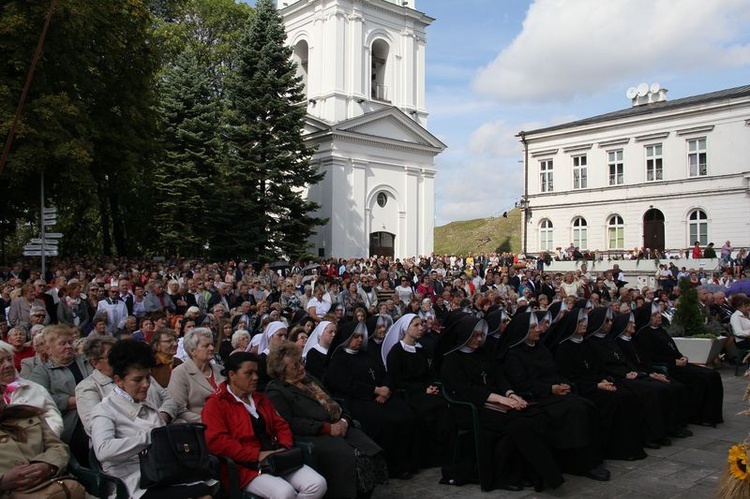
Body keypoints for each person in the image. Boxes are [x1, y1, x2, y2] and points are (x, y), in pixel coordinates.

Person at [436, 314, 565, 491]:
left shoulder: (483, 352)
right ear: (463, 335)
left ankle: (531, 474)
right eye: (474, 335)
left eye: (481, 335)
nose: (480, 339)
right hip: (469, 408)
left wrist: (511, 394)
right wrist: (500, 399)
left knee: (536, 417)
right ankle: (511, 477)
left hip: (495, 402)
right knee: (519, 423)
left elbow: (499, 376)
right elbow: (467, 390)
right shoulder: (451, 360)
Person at [90, 340, 217, 499]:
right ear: (118, 381)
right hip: (131, 480)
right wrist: (150, 437)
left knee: (204, 489)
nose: (145, 385)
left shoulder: (148, 404)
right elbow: (103, 451)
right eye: (137, 380)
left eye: (148, 378)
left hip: (162, 472)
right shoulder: (105, 410)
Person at [266, 343, 387, 498]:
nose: (301, 368)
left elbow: (334, 401)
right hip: (314, 434)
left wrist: (344, 420)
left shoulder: (309, 379)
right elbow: (290, 422)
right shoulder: (276, 391)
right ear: (281, 372)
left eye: (301, 362)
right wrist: (327, 428)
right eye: (295, 366)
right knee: (350, 458)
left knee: (371, 451)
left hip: (339, 426)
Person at [203, 352, 327, 499]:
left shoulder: (260, 398)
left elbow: (281, 425)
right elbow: (217, 443)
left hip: (277, 458)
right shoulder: (216, 404)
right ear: (232, 375)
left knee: (317, 484)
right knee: (284, 493)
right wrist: (257, 455)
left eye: (256, 372)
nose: (255, 377)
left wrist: (284, 446)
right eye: (249, 373)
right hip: (244, 467)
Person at [323, 320, 419, 479]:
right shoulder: (338, 359)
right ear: (346, 338)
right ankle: (388, 467)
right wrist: (375, 391)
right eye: (355, 337)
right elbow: (345, 384)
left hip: (381, 397)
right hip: (357, 399)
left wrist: (386, 389)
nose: (360, 340)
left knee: (406, 414)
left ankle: (407, 463)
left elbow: (385, 373)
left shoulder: (366, 354)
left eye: (361, 336)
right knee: (382, 421)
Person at [553, 308, 648, 461]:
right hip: (583, 389)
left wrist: (603, 380)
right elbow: (569, 378)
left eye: (585, 321)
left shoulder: (587, 344)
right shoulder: (563, 348)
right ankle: (616, 449)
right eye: (580, 322)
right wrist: (596, 385)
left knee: (628, 395)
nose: (585, 324)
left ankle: (631, 446)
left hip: (597, 384)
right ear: (572, 325)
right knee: (616, 399)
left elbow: (598, 368)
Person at [381, 313, 455, 468]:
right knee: (435, 408)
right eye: (416, 325)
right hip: (408, 394)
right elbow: (397, 380)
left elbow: (428, 374)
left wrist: (430, 386)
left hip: (424, 392)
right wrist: (423, 389)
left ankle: (441, 454)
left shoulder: (421, 350)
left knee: (445, 406)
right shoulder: (396, 352)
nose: (421, 328)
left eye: (422, 324)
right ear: (406, 329)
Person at [633, 303, 724, 426]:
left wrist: (681, 356)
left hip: (678, 363)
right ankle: (698, 415)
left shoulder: (660, 330)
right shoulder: (644, 334)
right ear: (647, 317)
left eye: (659, 313)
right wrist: (673, 361)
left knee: (713, 375)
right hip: (667, 367)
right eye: (654, 315)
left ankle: (712, 414)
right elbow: (650, 357)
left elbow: (672, 348)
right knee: (702, 378)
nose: (659, 316)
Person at [76, 335, 180, 436]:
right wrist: (149, 428)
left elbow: (169, 398)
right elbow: (94, 427)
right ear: (95, 363)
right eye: (111, 356)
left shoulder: (141, 375)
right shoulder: (87, 387)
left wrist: (162, 416)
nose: (118, 358)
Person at [29, 325, 93, 466]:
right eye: (62, 343)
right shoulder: (42, 371)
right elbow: (41, 399)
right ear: (48, 349)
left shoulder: (86, 361)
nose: (69, 346)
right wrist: (73, 401)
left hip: (96, 412)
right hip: (70, 422)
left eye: (70, 342)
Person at [0, 394, 71, 496]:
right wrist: (2, 482)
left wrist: (47, 465)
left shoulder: (26, 414)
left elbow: (57, 446)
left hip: (58, 489)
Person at [0, 341, 63, 438]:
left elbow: (53, 418)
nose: (8, 365)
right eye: (0, 361)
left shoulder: (34, 388)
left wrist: (42, 441)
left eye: (9, 359)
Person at [167, 328, 225, 423]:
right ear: (192, 351)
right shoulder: (180, 373)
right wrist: (210, 421)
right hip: (201, 426)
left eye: (212, 344)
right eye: (206, 346)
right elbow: (179, 409)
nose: (211, 348)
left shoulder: (221, 370)